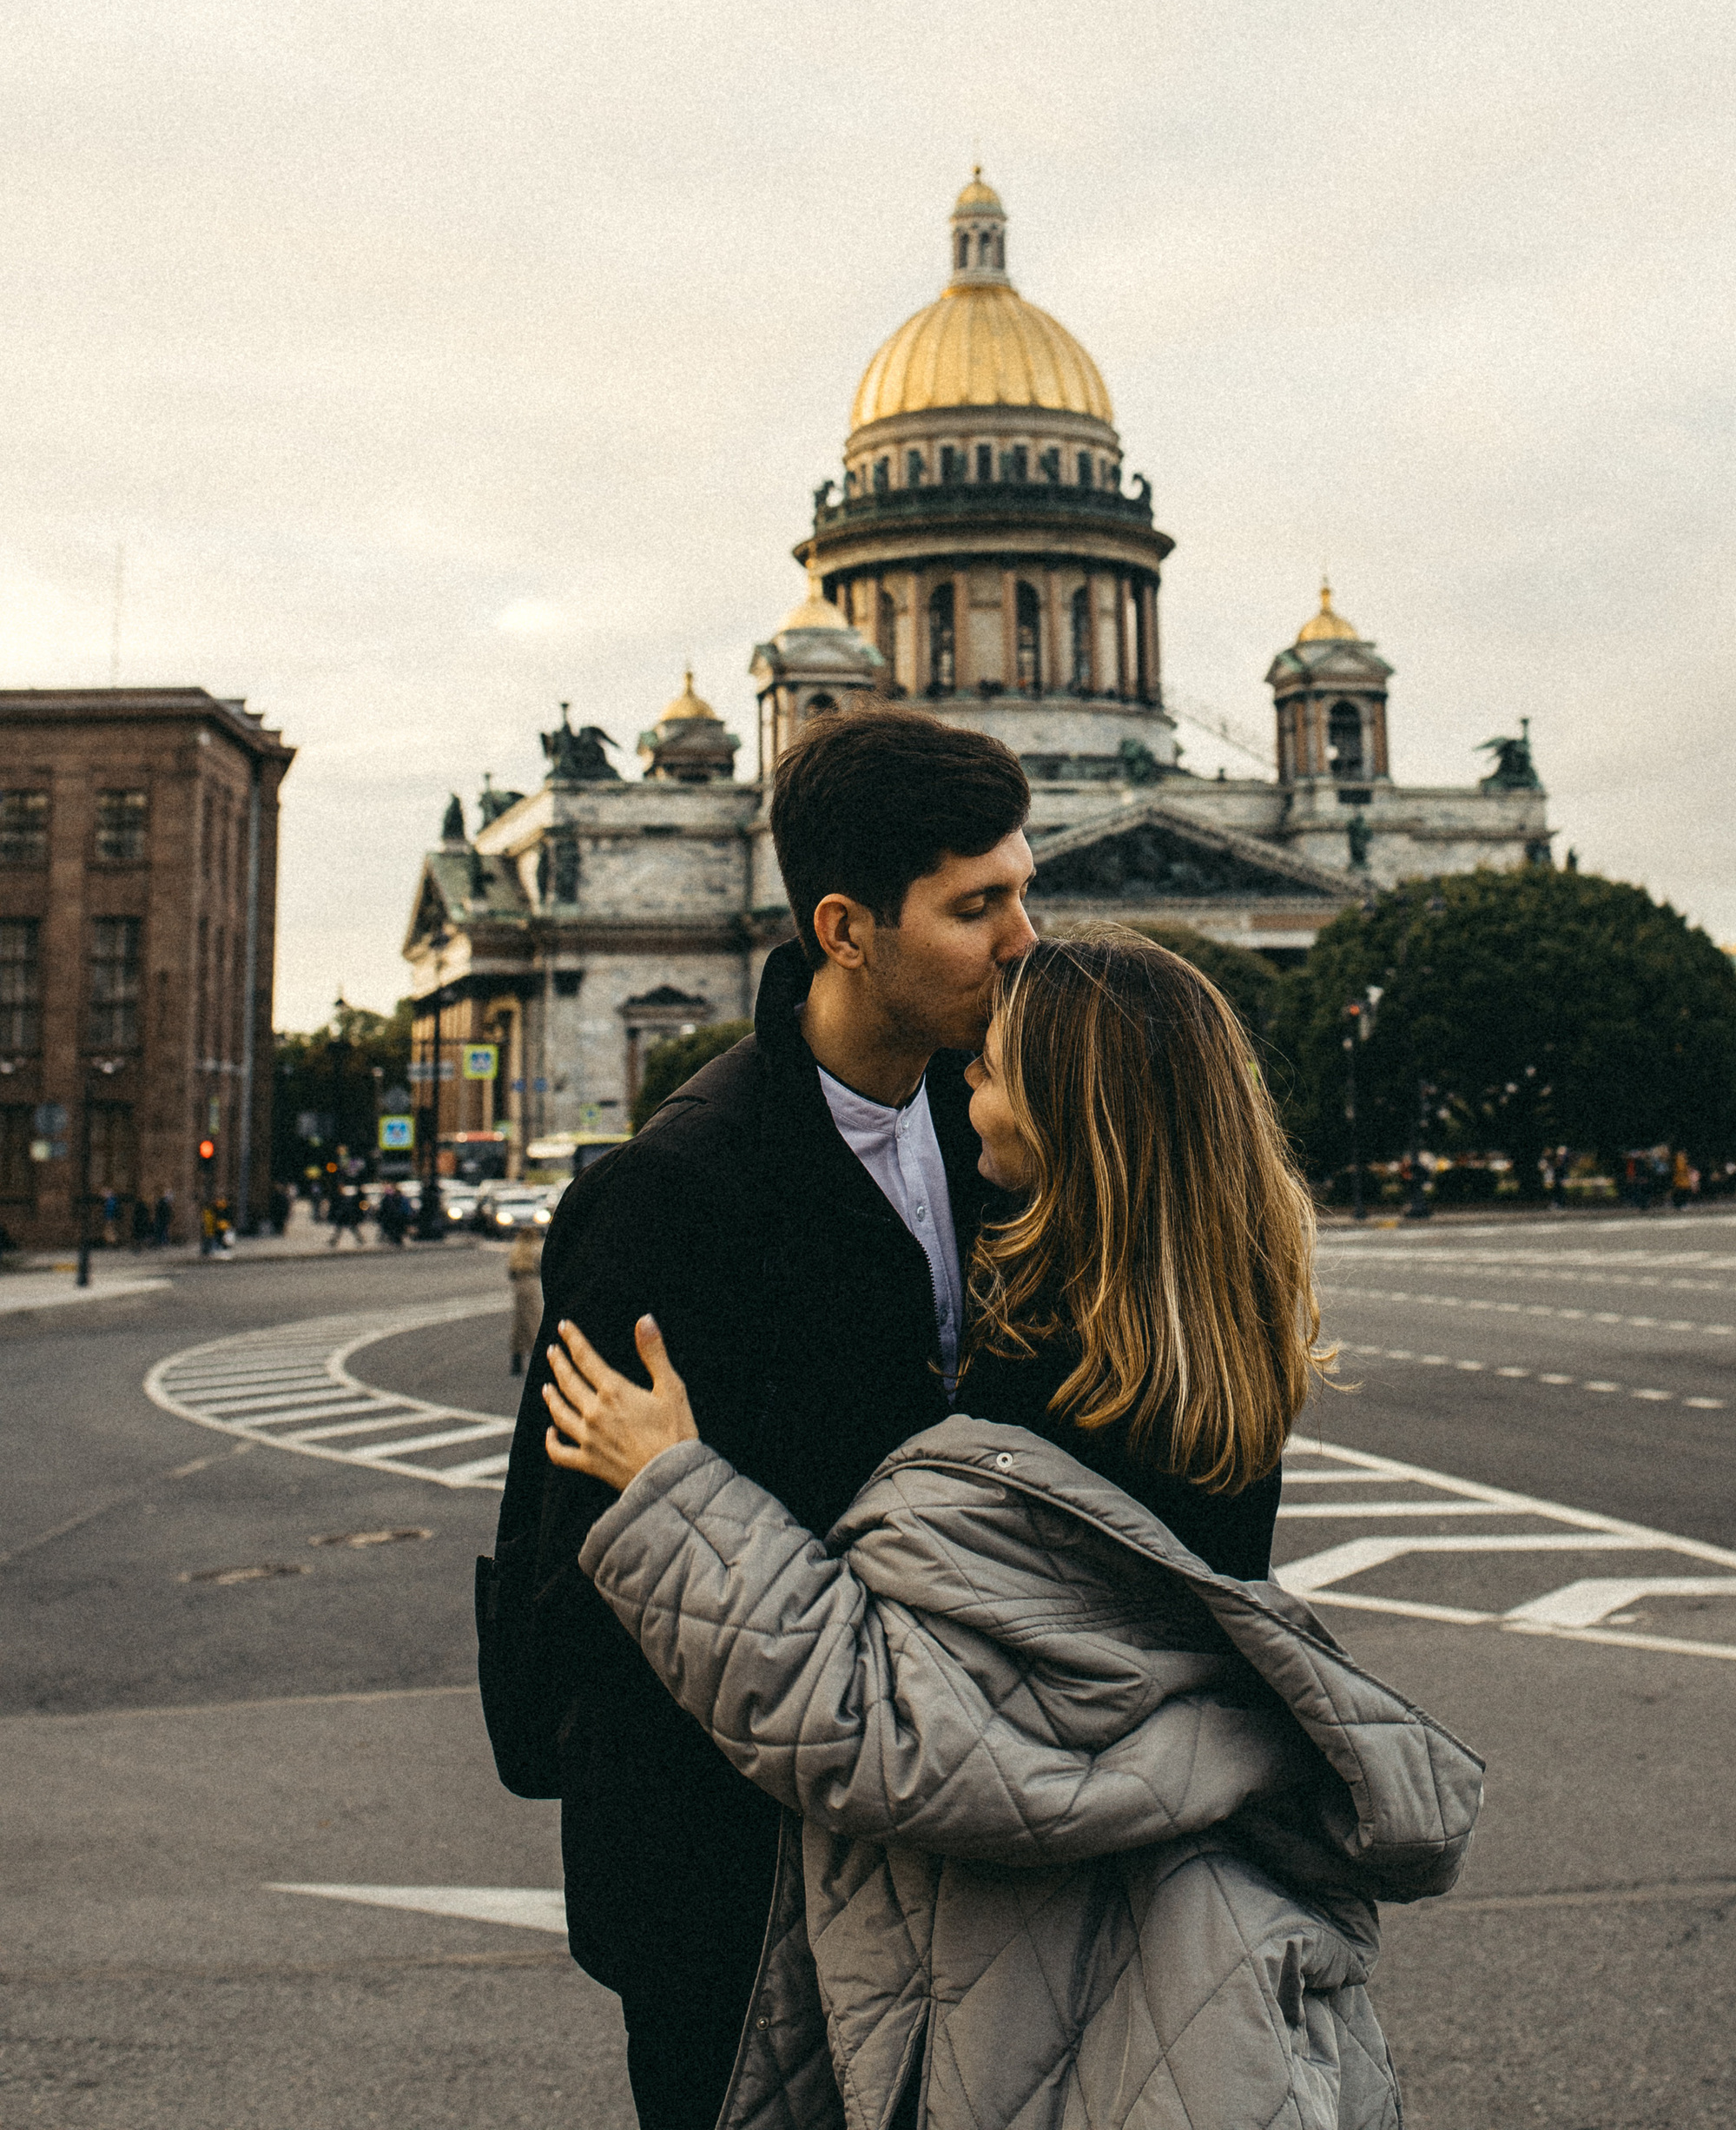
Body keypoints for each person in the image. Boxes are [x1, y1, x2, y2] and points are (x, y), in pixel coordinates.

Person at [543, 929, 1482, 2130]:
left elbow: (885, 1723)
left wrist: (676, 1489)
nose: (959, 1087)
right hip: (1171, 1942)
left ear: (1063, 1109)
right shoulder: (1203, 1352)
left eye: (984, 1067)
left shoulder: (1051, 1395)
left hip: (1029, 1974)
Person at [479, 709, 1037, 2130]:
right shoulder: (674, 1194)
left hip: (934, 1845)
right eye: (979, 907)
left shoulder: (994, 1135)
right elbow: (586, 1573)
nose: (1024, 938)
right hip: (727, 1884)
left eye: (1023, 892)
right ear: (848, 929)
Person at [506, 1227, 542, 1377]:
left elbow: (511, 1271)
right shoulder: (536, 1248)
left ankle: (517, 1360)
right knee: (534, 1322)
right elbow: (541, 1266)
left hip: (519, 1286)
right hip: (532, 1284)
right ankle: (538, 1361)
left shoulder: (517, 1249)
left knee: (520, 1324)